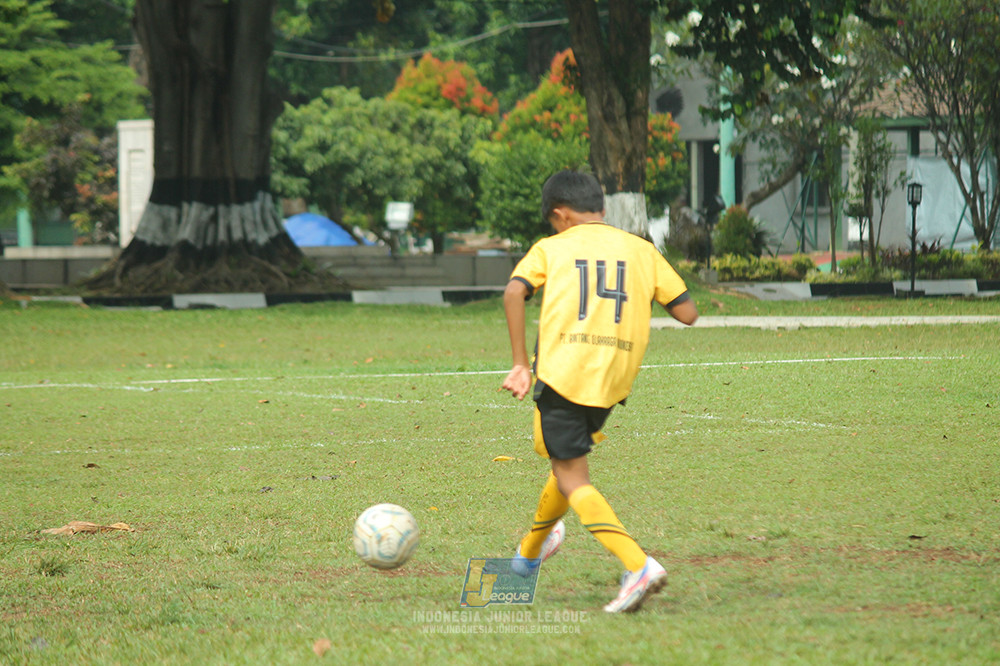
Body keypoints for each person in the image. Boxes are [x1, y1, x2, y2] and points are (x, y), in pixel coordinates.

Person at [501, 169, 698, 613]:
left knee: (572, 477)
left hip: (564, 375)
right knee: (562, 461)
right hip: (611, 381)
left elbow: (515, 293)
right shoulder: (642, 249)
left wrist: (519, 364)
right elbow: (687, 312)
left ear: (560, 215)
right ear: (602, 210)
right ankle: (529, 552)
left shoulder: (552, 247)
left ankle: (637, 564)